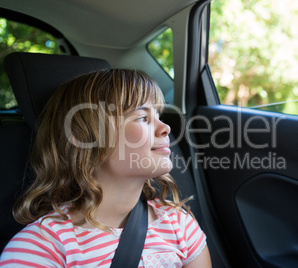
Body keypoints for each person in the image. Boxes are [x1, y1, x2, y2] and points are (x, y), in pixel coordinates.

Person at [0, 69, 212, 267]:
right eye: (142, 117)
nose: (166, 128)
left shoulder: (178, 225)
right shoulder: (42, 248)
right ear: (85, 139)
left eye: (158, 115)